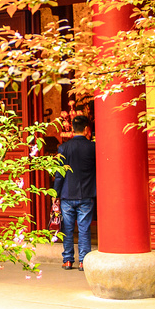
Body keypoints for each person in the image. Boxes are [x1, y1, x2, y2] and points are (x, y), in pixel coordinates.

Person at [56, 115, 96, 271]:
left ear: (72, 128)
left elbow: (59, 174)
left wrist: (56, 193)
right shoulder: (93, 147)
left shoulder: (63, 148)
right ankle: (83, 261)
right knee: (84, 228)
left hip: (67, 194)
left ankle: (67, 260)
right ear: (87, 129)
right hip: (86, 193)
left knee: (67, 228)